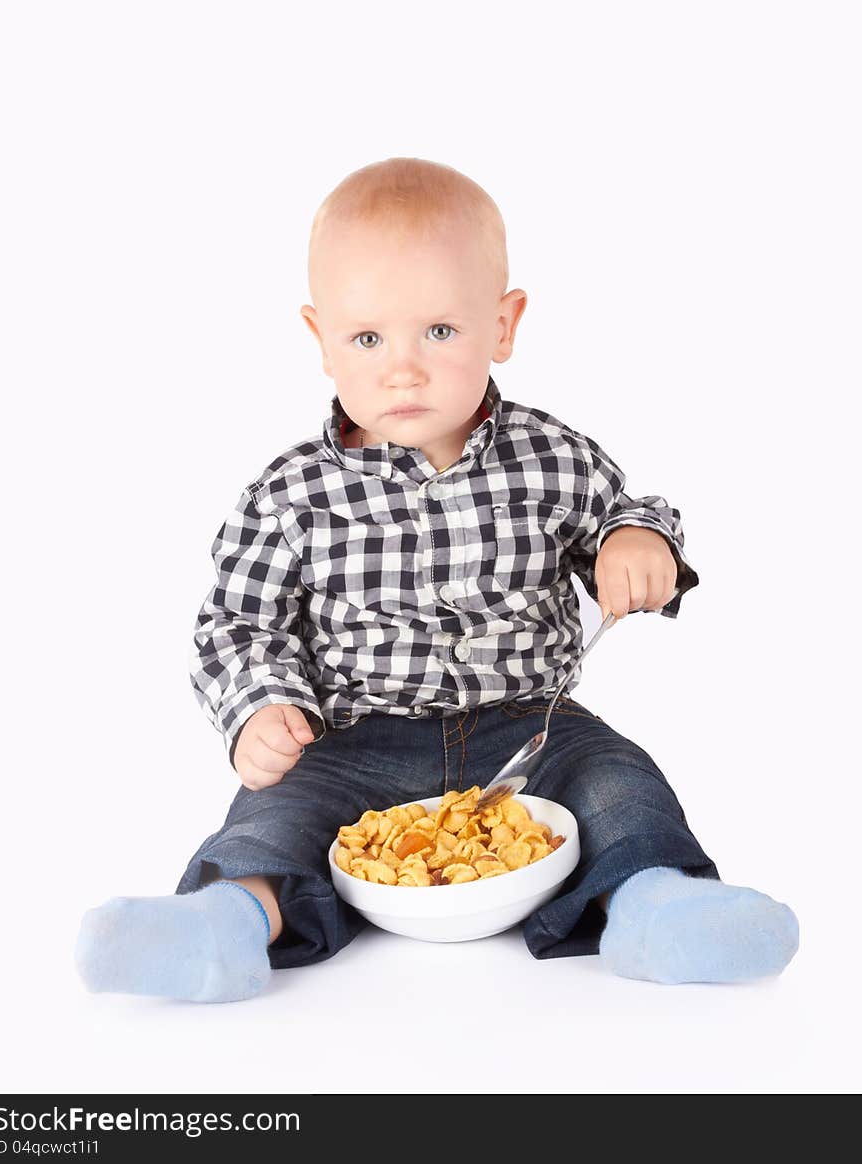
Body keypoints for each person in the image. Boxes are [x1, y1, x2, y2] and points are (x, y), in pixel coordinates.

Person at [75, 157, 798, 1002]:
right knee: (276, 815)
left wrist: (636, 540)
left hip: (533, 728)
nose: (404, 369)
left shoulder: (549, 457)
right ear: (320, 340)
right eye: (369, 338)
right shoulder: (291, 494)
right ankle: (225, 924)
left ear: (503, 324)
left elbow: (623, 512)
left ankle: (656, 906)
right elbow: (238, 624)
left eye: (441, 333)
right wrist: (259, 706)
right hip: (350, 741)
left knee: (617, 781)